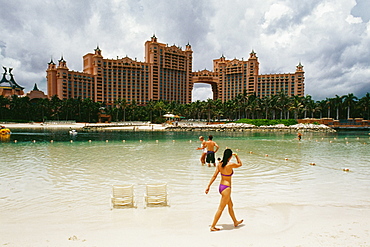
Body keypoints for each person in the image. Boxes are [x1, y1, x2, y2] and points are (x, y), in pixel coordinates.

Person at [205, 149, 243, 231]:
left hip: (221, 187)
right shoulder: (230, 165)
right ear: (230, 156)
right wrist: (236, 156)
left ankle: (235, 222)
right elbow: (240, 164)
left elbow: (214, 176)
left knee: (230, 205)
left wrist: (208, 186)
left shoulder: (220, 164)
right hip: (227, 188)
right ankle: (213, 226)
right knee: (220, 208)